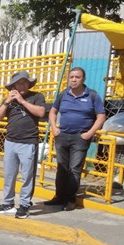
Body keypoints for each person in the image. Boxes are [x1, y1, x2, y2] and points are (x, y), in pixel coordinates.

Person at [45, 67, 106, 211]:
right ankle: (59, 197)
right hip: (62, 136)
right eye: (71, 77)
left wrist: (89, 133)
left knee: (74, 169)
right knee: (61, 168)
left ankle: (70, 199)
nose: (74, 79)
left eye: (77, 77)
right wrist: (54, 128)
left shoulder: (92, 95)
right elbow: (53, 112)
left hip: (80, 138)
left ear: (83, 79)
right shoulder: (62, 95)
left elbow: (101, 116)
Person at [0, 71, 46, 219]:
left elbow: (41, 112)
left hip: (28, 142)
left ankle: (24, 205)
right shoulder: (9, 100)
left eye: (24, 82)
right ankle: (7, 203)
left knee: (27, 176)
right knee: (9, 175)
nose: (21, 85)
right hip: (10, 141)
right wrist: (7, 101)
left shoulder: (37, 96)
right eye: (18, 83)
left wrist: (22, 101)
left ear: (29, 84)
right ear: (13, 86)